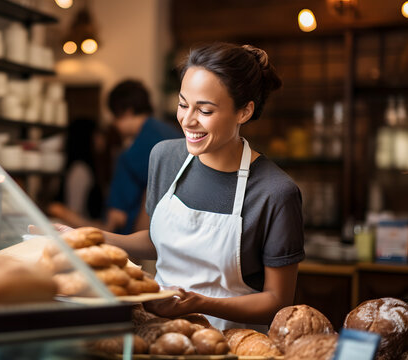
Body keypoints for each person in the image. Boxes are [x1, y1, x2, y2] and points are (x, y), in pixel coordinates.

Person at [97, 42, 305, 332]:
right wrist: (92, 238)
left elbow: (277, 300)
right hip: (158, 334)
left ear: (244, 112)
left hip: (230, 342)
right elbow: (161, 240)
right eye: (183, 105)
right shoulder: (164, 157)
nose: (187, 120)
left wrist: (200, 303)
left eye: (204, 110)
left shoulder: (275, 192)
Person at [48, 80, 182, 234]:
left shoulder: (131, 154)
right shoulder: (172, 134)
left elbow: (116, 219)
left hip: (140, 240)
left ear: (126, 112)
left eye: (114, 117)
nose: (114, 125)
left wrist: (65, 215)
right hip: (176, 231)